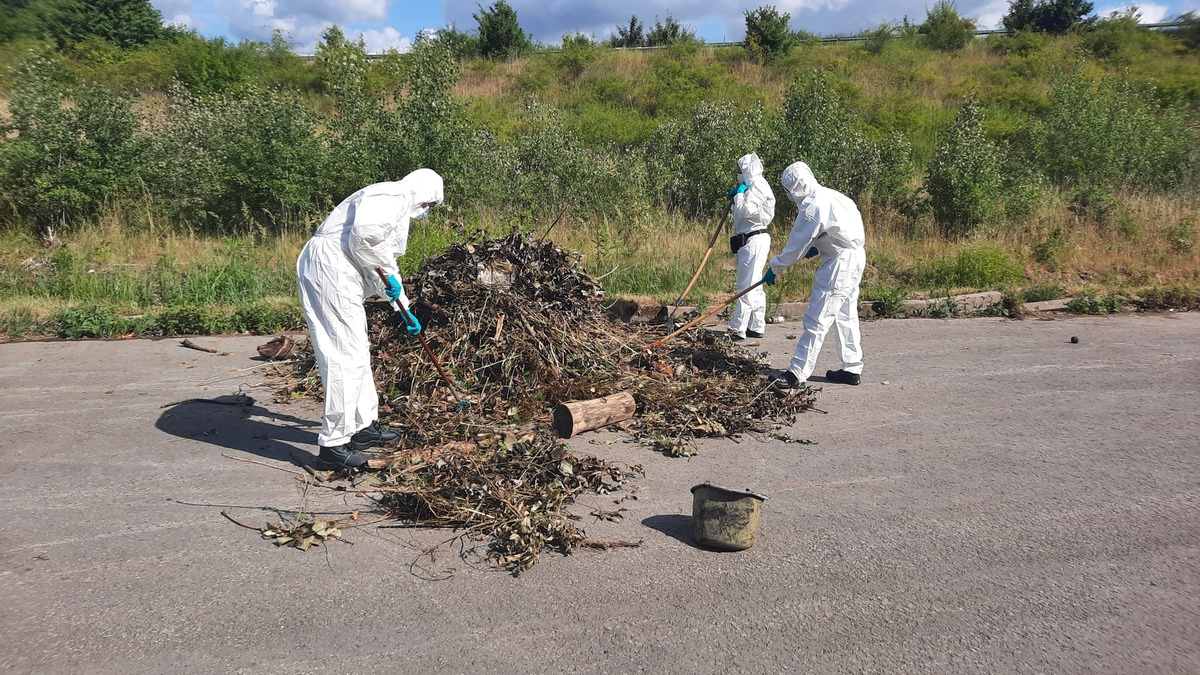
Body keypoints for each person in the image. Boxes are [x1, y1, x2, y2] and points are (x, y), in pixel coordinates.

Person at [296, 169, 444, 468]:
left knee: (358, 352)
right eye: (429, 206)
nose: (425, 212)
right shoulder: (394, 195)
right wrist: (389, 278)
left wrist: (402, 306)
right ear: (425, 192)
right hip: (330, 269)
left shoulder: (397, 203)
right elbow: (364, 241)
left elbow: (378, 253)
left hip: (340, 270)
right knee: (343, 356)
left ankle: (363, 427)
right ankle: (333, 445)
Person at [762, 161, 866, 392]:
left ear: (794, 189)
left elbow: (795, 247)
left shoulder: (812, 206)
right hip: (855, 258)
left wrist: (775, 267)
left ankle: (796, 373)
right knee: (845, 315)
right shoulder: (834, 196)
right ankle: (851, 368)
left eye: (788, 191)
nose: (789, 196)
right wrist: (819, 247)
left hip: (839, 265)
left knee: (817, 318)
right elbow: (845, 231)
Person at [726, 152, 776, 342]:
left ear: (746, 169)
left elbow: (746, 210)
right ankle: (756, 324)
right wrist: (737, 197)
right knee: (754, 284)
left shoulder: (758, 186)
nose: (737, 173)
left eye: (739, 170)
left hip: (755, 239)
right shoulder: (751, 187)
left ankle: (737, 327)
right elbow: (741, 213)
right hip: (748, 239)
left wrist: (739, 195)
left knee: (746, 285)